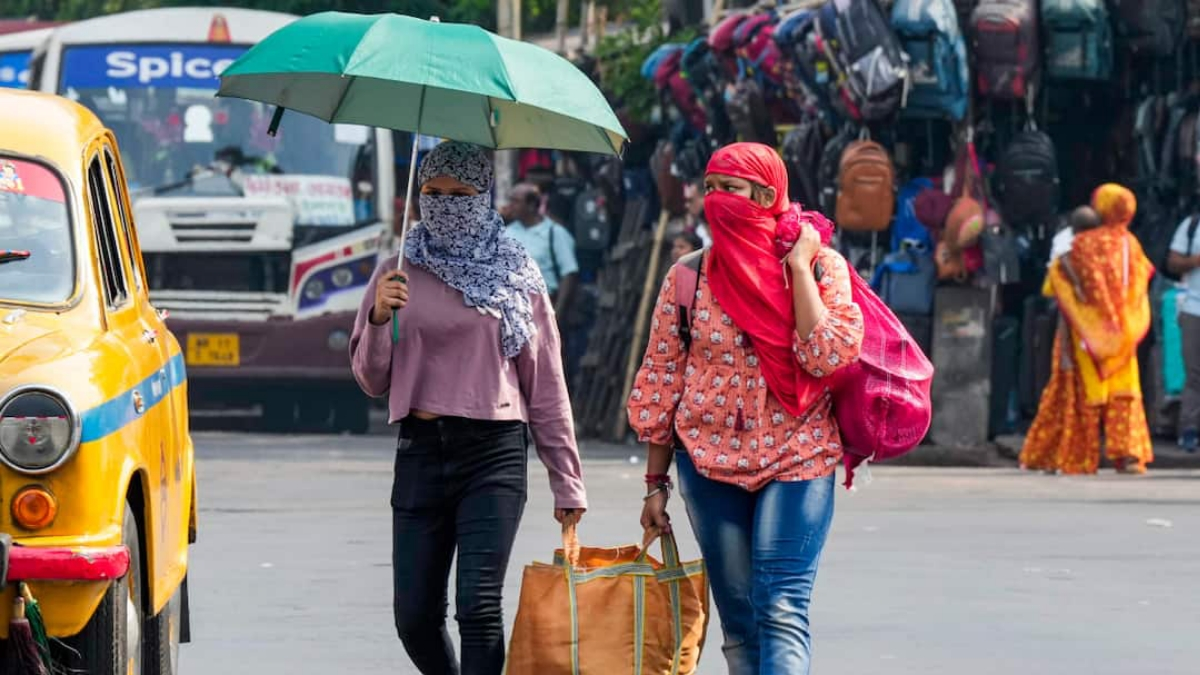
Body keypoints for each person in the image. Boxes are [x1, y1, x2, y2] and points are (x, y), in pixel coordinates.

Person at [350, 141, 587, 675]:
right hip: (420, 451)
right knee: (414, 616)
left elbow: (545, 383)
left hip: (493, 454)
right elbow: (370, 379)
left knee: (478, 608)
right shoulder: (397, 270)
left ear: (486, 197)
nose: (445, 205)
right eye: (432, 193)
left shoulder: (516, 275)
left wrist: (566, 480)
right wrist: (379, 320)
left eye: (460, 194)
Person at [628, 143, 863, 675]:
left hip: (797, 455)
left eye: (728, 190)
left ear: (765, 195)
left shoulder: (823, 267)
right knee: (740, 617)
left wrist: (800, 268)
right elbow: (663, 382)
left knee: (781, 608)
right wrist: (653, 483)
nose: (716, 201)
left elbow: (825, 354)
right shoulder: (687, 277)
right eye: (709, 190)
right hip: (708, 463)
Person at [1021, 184, 1155, 475]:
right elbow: (1142, 283)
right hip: (1124, 337)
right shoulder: (1132, 245)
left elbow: (1053, 283)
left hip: (1086, 338)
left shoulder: (1083, 244)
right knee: (1125, 396)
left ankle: (1078, 456)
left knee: (1080, 396)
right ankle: (1130, 456)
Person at [505, 183, 579, 319]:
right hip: (513, 309)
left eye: (515, 201)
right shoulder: (507, 233)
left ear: (532, 205)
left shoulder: (555, 233)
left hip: (544, 307)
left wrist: (556, 314)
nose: (510, 206)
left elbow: (569, 274)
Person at [1168, 207, 1200, 452]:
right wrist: (1196, 260)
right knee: (1194, 373)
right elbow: (1173, 262)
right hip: (1194, 309)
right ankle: (1190, 429)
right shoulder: (1191, 225)